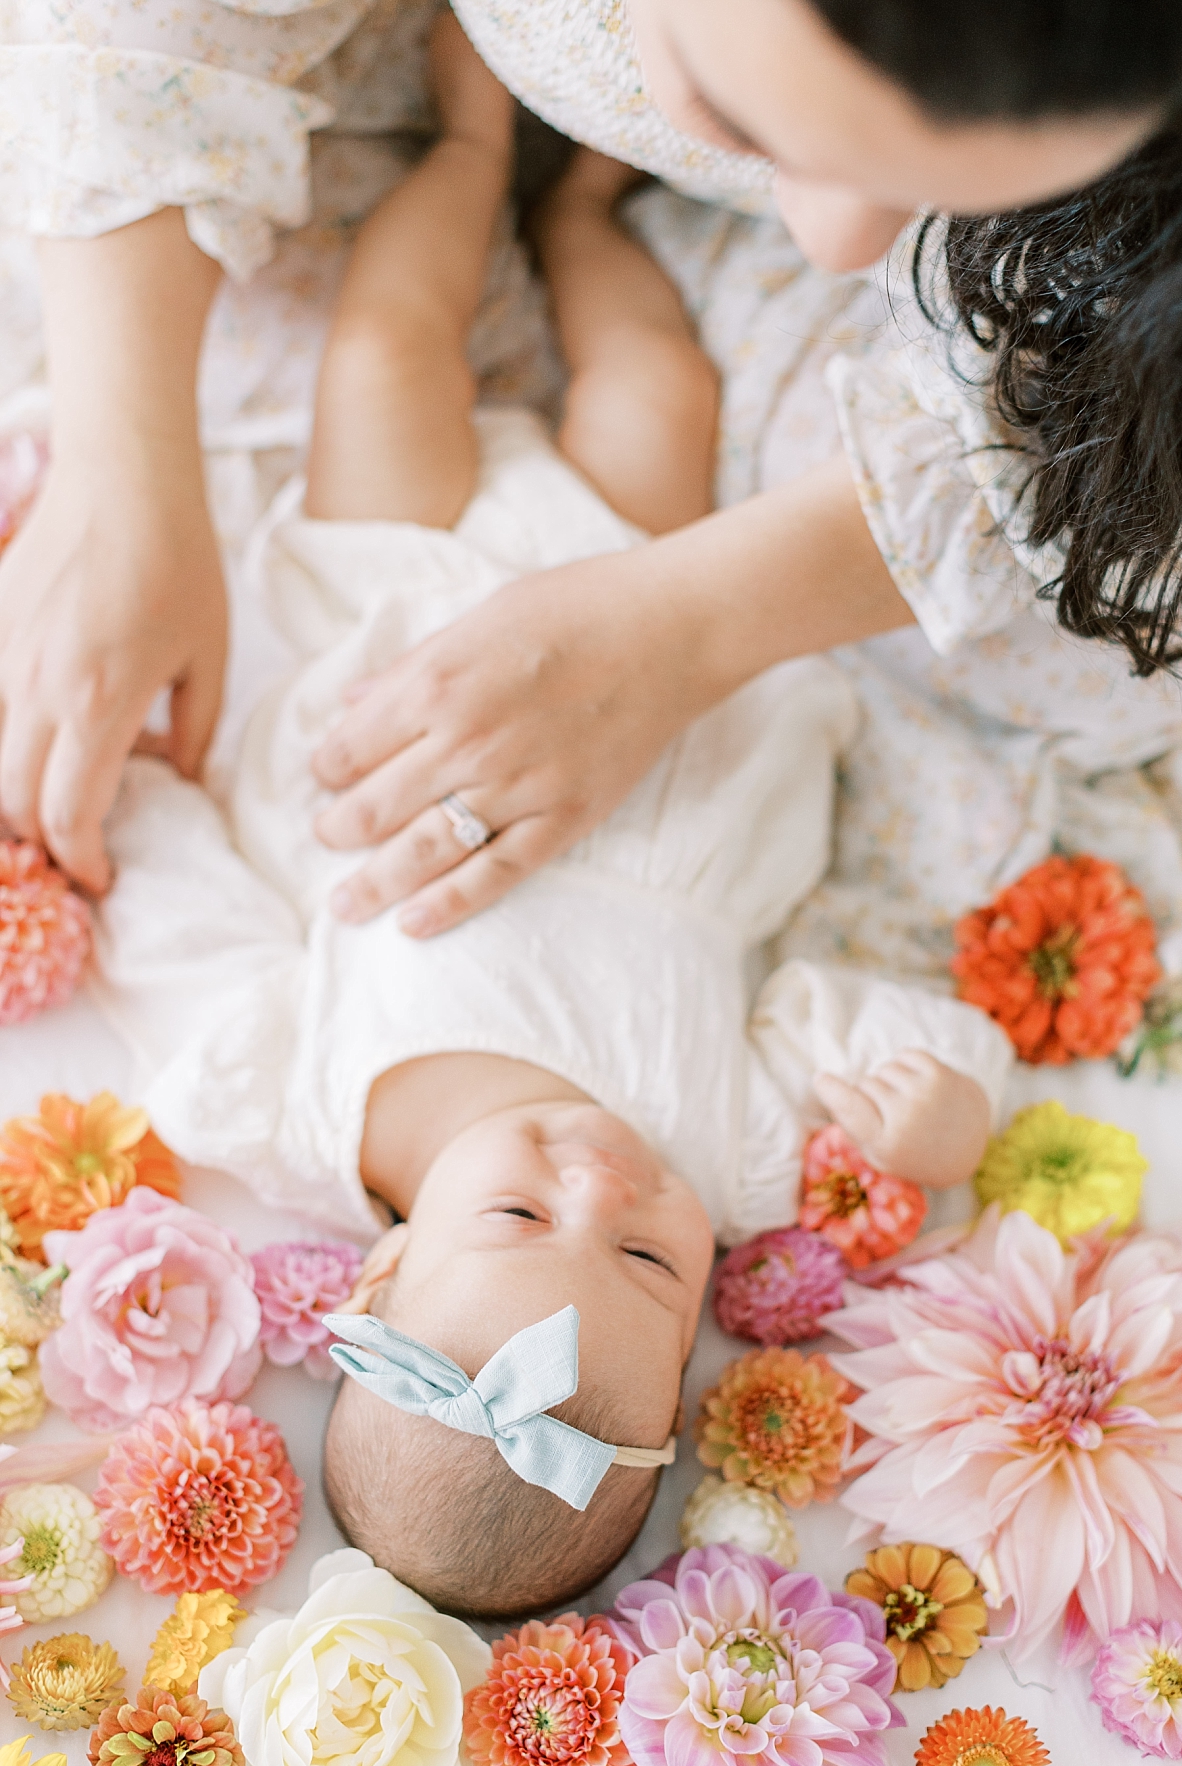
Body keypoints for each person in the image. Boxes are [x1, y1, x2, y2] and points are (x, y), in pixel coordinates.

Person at [89, 22, 1010, 1613]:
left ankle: (464, 154)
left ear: (378, 1270)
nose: (603, 1183)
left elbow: (175, 933)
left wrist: (129, 802)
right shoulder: (727, 1149)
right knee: (658, 386)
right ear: (696, 1320)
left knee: (384, 348)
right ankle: (587, 218)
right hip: (643, 645)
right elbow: (858, 1036)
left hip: (398, 619)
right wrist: (939, 1121)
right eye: (652, 1264)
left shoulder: (308, 1110)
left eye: (518, 1213)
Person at [3, 0, 1182, 917]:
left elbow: (1131, 439)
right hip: (407, 73)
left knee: (1097, 645)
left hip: (950, 320)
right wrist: (126, 464)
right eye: (750, 114)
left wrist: (690, 621)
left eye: (960, 186)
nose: (833, 235)